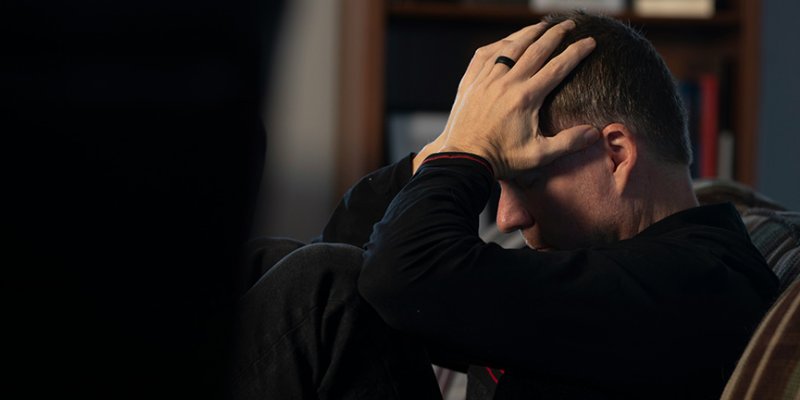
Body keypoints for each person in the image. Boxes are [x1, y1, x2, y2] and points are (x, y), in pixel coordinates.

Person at [231, 12, 778, 399]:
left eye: (526, 178)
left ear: (615, 155)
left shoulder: (698, 283)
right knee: (269, 264)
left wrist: (472, 153)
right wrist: (455, 142)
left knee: (319, 288)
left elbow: (396, 276)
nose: (510, 218)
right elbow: (355, 250)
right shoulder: (617, 270)